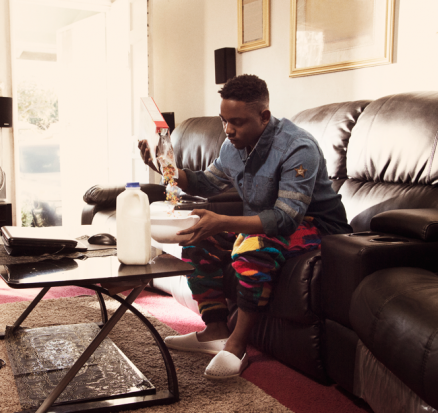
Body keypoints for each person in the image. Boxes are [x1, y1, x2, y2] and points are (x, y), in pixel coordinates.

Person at [138, 74, 352, 380]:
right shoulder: (231, 146)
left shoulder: (297, 147)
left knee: (253, 247)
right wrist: (165, 169)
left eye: (236, 122)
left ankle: (237, 346)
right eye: (224, 120)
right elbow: (207, 183)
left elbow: (287, 217)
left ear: (264, 116)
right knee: (198, 238)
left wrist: (224, 222)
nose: (228, 130)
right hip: (268, 221)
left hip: (318, 226)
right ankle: (214, 330)